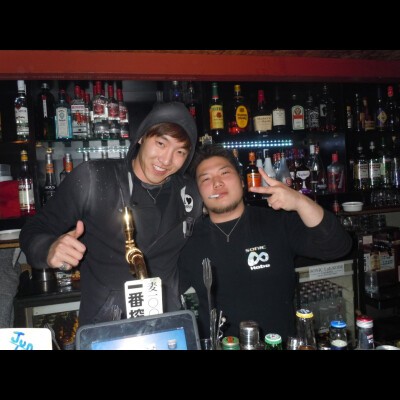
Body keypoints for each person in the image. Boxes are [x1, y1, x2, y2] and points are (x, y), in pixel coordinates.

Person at [20, 102, 203, 326]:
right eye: (160, 143)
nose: (166, 160)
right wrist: (48, 248)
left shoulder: (190, 193)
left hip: (167, 325)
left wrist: (173, 295)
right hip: (104, 325)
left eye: (180, 152)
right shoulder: (94, 179)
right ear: (141, 137)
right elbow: (33, 230)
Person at [178, 145, 353, 341]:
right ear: (198, 192)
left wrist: (300, 201)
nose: (217, 183)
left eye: (224, 173)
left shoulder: (276, 222)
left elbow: (337, 247)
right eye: (206, 179)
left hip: (277, 343)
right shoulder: (186, 240)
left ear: (242, 181)